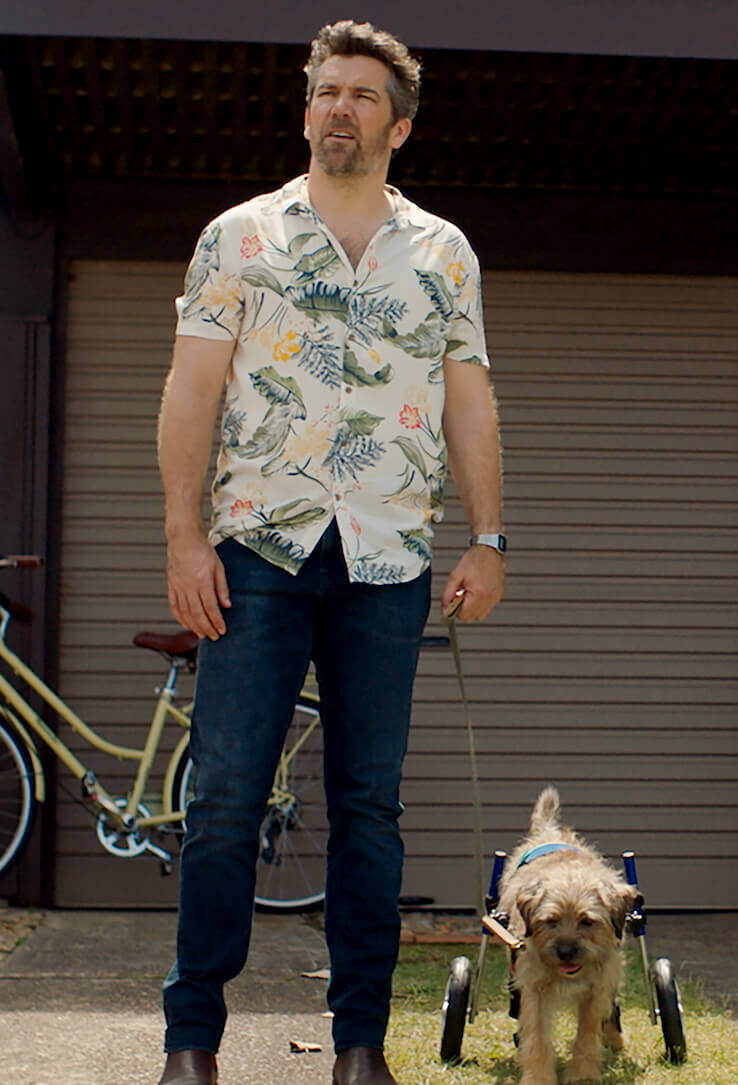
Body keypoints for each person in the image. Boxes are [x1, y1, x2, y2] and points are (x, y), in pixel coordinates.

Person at [153, 21, 506, 1085]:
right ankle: (191, 1044)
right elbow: (191, 389)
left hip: (389, 558)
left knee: (368, 805)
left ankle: (360, 1046)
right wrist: (182, 534)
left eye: (361, 95)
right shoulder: (238, 237)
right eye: (325, 93)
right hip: (256, 546)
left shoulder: (443, 252)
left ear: (398, 124)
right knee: (222, 802)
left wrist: (488, 537)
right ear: (307, 111)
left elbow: (470, 400)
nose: (339, 108)